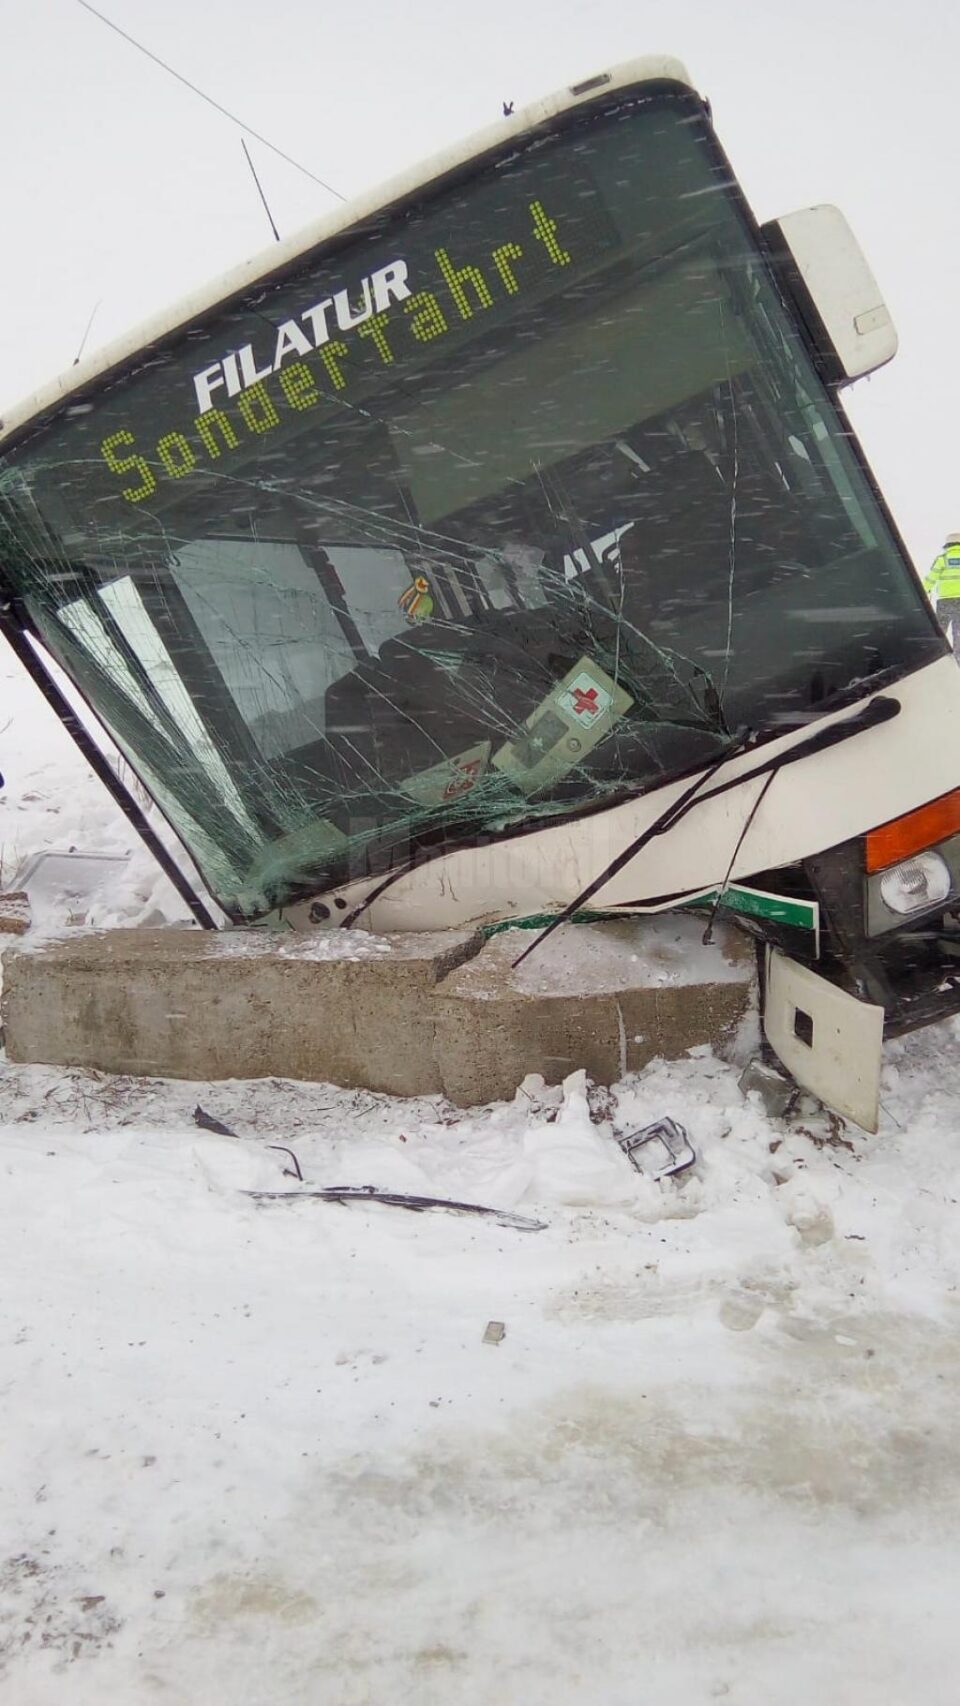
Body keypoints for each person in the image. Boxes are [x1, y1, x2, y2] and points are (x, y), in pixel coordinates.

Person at [924, 533, 960, 656]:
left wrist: (924, 591)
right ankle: (958, 657)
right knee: (959, 632)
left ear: (948, 545)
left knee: (940, 630)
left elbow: (931, 578)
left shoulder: (942, 559)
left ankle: (937, 655)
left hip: (945, 601)